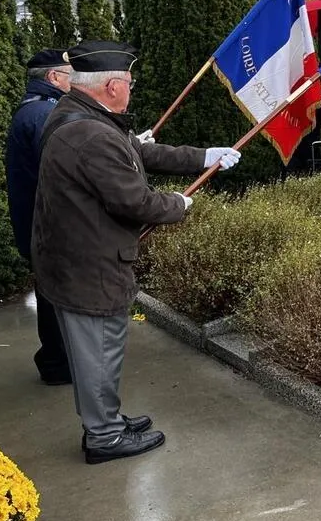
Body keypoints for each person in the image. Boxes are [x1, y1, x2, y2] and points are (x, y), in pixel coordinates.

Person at [32, 40, 242, 464]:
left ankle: (105, 419)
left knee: (97, 352)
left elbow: (140, 151)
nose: (132, 88)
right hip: (90, 266)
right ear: (111, 87)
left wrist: (204, 157)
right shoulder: (91, 133)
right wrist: (177, 205)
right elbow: (134, 201)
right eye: (129, 82)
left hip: (77, 259)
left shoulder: (83, 116)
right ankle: (104, 437)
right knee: (98, 353)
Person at [4, 49, 73, 385]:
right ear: (53, 78)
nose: (74, 80)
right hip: (49, 225)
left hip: (36, 223)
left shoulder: (33, 110)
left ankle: (55, 360)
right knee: (57, 296)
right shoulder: (46, 114)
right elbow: (69, 167)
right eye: (69, 73)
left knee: (51, 293)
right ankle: (58, 364)